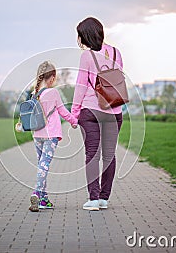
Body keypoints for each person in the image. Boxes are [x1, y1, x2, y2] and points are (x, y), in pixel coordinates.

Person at [71, 17, 123, 211]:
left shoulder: (87, 56)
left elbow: (80, 86)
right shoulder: (117, 53)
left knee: (92, 155)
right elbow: (118, 81)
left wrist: (75, 113)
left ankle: (93, 199)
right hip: (114, 110)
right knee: (109, 155)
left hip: (90, 111)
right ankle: (103, 198)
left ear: (86, 35)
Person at [29, 61, 78, 212]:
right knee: (44, 165)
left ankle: (44, 199)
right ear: (52, 77)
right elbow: (63, 111)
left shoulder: (34, 94)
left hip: (37, 134)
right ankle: (37, 192)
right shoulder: (53, 92)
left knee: (41, 165)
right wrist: (74, 121)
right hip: (51, 135)